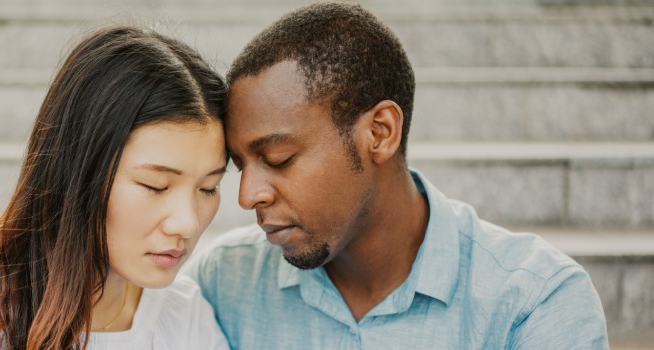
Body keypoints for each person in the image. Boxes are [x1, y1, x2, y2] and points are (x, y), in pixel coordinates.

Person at [185, 2, 609, 349]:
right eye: (240, 165)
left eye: (278, 158)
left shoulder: (534, 303)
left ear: (380, 133)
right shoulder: (222, 282)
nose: (247, 195)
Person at [0, 25, 229, 350]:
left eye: (209, 188)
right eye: (155, 185)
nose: (188, 223)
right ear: (79, 171)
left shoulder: (185, 315)